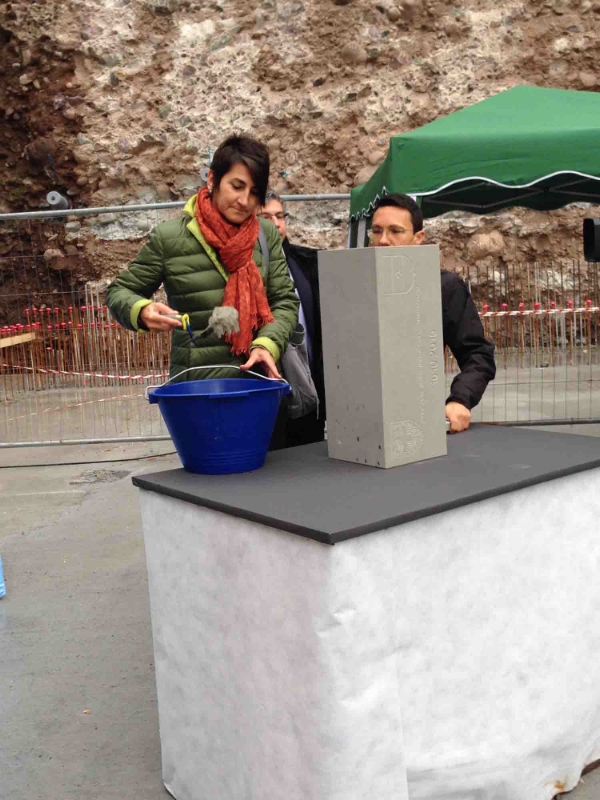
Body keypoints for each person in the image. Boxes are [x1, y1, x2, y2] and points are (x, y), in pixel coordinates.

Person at [106, 136, 299, 389]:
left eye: (254, 192)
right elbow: (119, 291)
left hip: (258, 383)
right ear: (212, 179)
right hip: (196, 387)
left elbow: (284, 301)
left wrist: (267, 344)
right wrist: (141, 310)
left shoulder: (265, 234)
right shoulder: (170, 238)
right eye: (237, 186)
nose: (245, 201)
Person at [370, 193, 496, 433]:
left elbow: (478, 354)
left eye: (395, 231)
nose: (383, 240)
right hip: (361, 421)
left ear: (418, 238)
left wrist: (460, 399)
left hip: (418, 422)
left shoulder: (443, 287)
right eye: (377, 231)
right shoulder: (355, 284)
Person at [259, 190, 325, 447]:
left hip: (308, 383)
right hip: (266, 387)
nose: (276, 224)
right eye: (266, 217)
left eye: (280, 216)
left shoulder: (306, 262)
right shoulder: (241, 268)